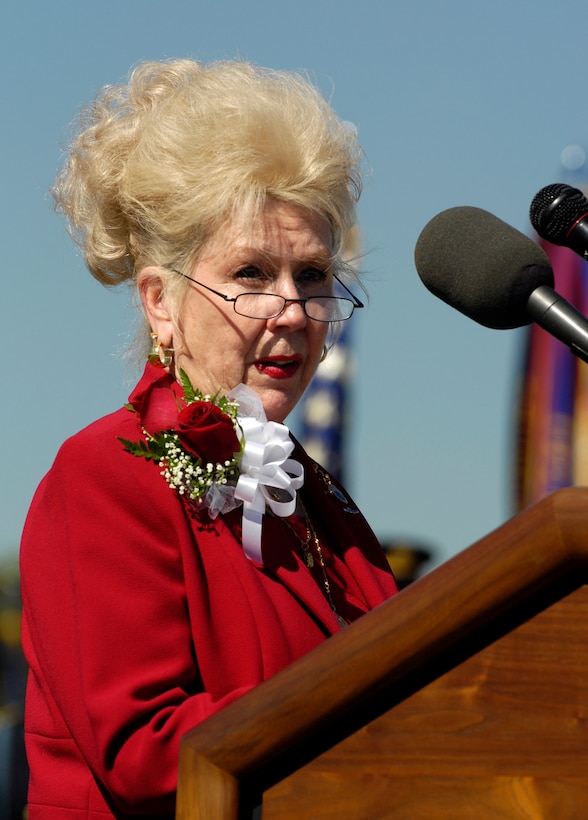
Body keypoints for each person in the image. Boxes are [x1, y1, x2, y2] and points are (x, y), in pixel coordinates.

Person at [19, 58, 398, 818]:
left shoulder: (318, 498)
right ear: (161, 302)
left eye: (315, 277)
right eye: (253, 274)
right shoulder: (104, 477)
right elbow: (148, 750)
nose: (291, 311)